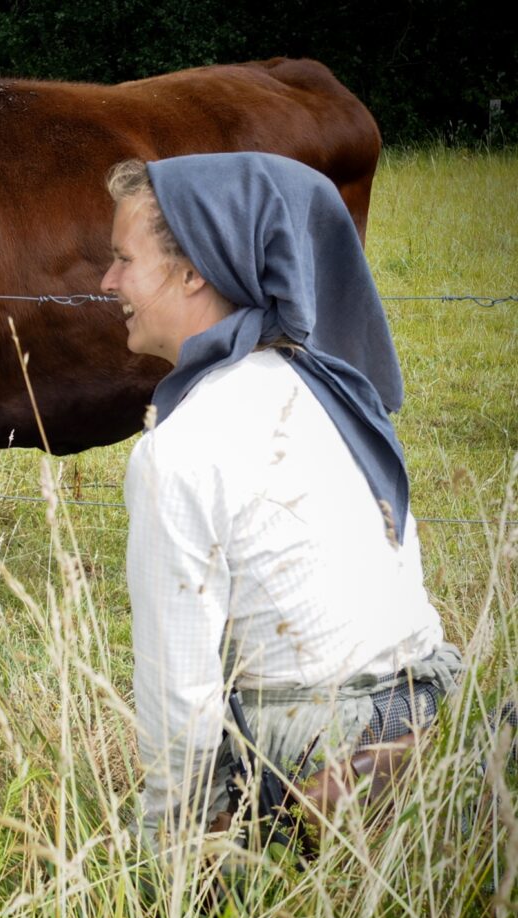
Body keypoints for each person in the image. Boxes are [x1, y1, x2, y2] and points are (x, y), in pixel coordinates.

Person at [100, 153, 462, 851]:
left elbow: (182, 694)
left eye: (123, 259)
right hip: (434, 710)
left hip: (320, 751)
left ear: (192, 270)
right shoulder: (331, 388)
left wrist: (175, 854)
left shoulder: (178, 450)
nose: (106, 280)